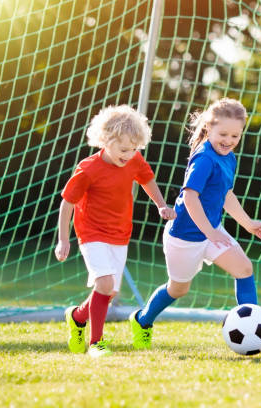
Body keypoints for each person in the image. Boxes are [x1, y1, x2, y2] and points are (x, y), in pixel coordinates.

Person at [128, 98, 261, 350]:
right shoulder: (204, 158)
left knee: (244, 269)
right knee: (178, 289)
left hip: (211, 232)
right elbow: (190, 197)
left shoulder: (229, 157)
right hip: (185, 237)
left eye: (235, 135)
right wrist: (209, 231)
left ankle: (258, 332)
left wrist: (247, 223)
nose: (228, 140)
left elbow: (226, 194)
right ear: (208, 128)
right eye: (222, 133)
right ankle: (142, 320)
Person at [54, 105, 176, 357]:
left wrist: (162, 205)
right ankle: (96, 343)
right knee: (105, 283)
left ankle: (77, 317)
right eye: (123, 149)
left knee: (109, 292)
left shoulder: (134, 160)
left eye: (134, 149)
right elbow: (67, 203)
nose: (129, 154)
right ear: (106, 141)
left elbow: (147, 179)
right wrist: (63, 240)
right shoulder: (88, 169)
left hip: (120, 234)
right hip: (91, 232)